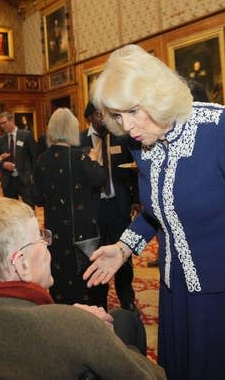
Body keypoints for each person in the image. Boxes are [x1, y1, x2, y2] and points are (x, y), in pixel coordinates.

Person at [83, 44, 225, 379]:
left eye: (133, 111)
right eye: (118, 117)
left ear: (157, 95)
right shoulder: (142, 143)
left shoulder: (220, 126)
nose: (128, 127)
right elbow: (159, 210)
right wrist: (124, 248)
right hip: (176, 295)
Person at [0, 197, 164, 379]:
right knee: (124, 322)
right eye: (40, 237)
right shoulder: (78, 331)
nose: (47, 244)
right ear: (22, 264)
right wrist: (102, 333)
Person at [33, 108, 109, 308]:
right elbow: (101, 178)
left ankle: (64, 319)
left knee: (59, 276)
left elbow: (37, 197)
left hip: (55, 232)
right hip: (83, 233)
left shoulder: (41, 160)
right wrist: (93, 159)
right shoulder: (80, 158)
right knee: (88, 281)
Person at [80, 101, 139, 312]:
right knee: (96, 255)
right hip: (93, 209)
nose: (103, 119)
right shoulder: (80, 142)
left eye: (105, 115)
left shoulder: (121, 138)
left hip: (119, 206)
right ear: (89, 117)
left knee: (123, 252)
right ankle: (99, 300)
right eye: (98, 115)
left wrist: (136, 199)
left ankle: (127, 298)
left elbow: (133, 170)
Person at [0, 111, 37, 207]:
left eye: (4, 122)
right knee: (11, 211)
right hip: (8, 181)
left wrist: (33, 176)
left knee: (29, 208)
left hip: (24, 179)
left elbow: (34, 156)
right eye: (0, 124)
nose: (2, 126)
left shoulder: (26, 135)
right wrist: (4, 165)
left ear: (12, 121)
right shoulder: (0, 140)